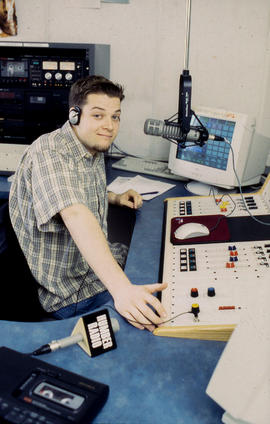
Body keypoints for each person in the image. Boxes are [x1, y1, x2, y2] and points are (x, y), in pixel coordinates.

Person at [9, 75, 167, 331]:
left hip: (93, 271)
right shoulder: (50, 152)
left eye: (115, 116)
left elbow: (72, 189)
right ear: (74, 115)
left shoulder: (89, 148)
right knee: (158, 317)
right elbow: (75, 214)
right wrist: (122, 290)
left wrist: (114, 197)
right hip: (71, 294)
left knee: (164, 274)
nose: (109, 126)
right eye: (98, 115)